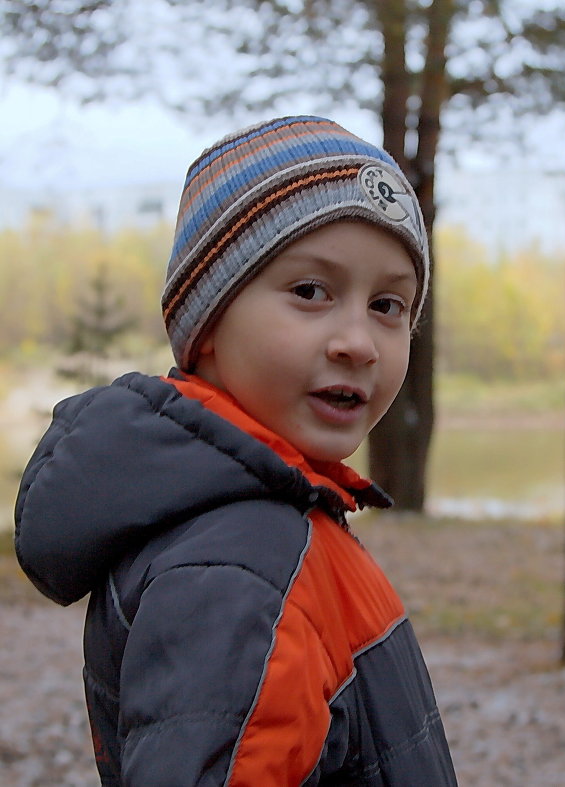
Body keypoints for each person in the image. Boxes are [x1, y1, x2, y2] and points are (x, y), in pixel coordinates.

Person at [14, 116, 457, 785]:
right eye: (311, 291)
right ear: (208, 323)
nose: (358, 342)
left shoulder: (269, 517)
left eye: (389, 305)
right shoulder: (239, 566)